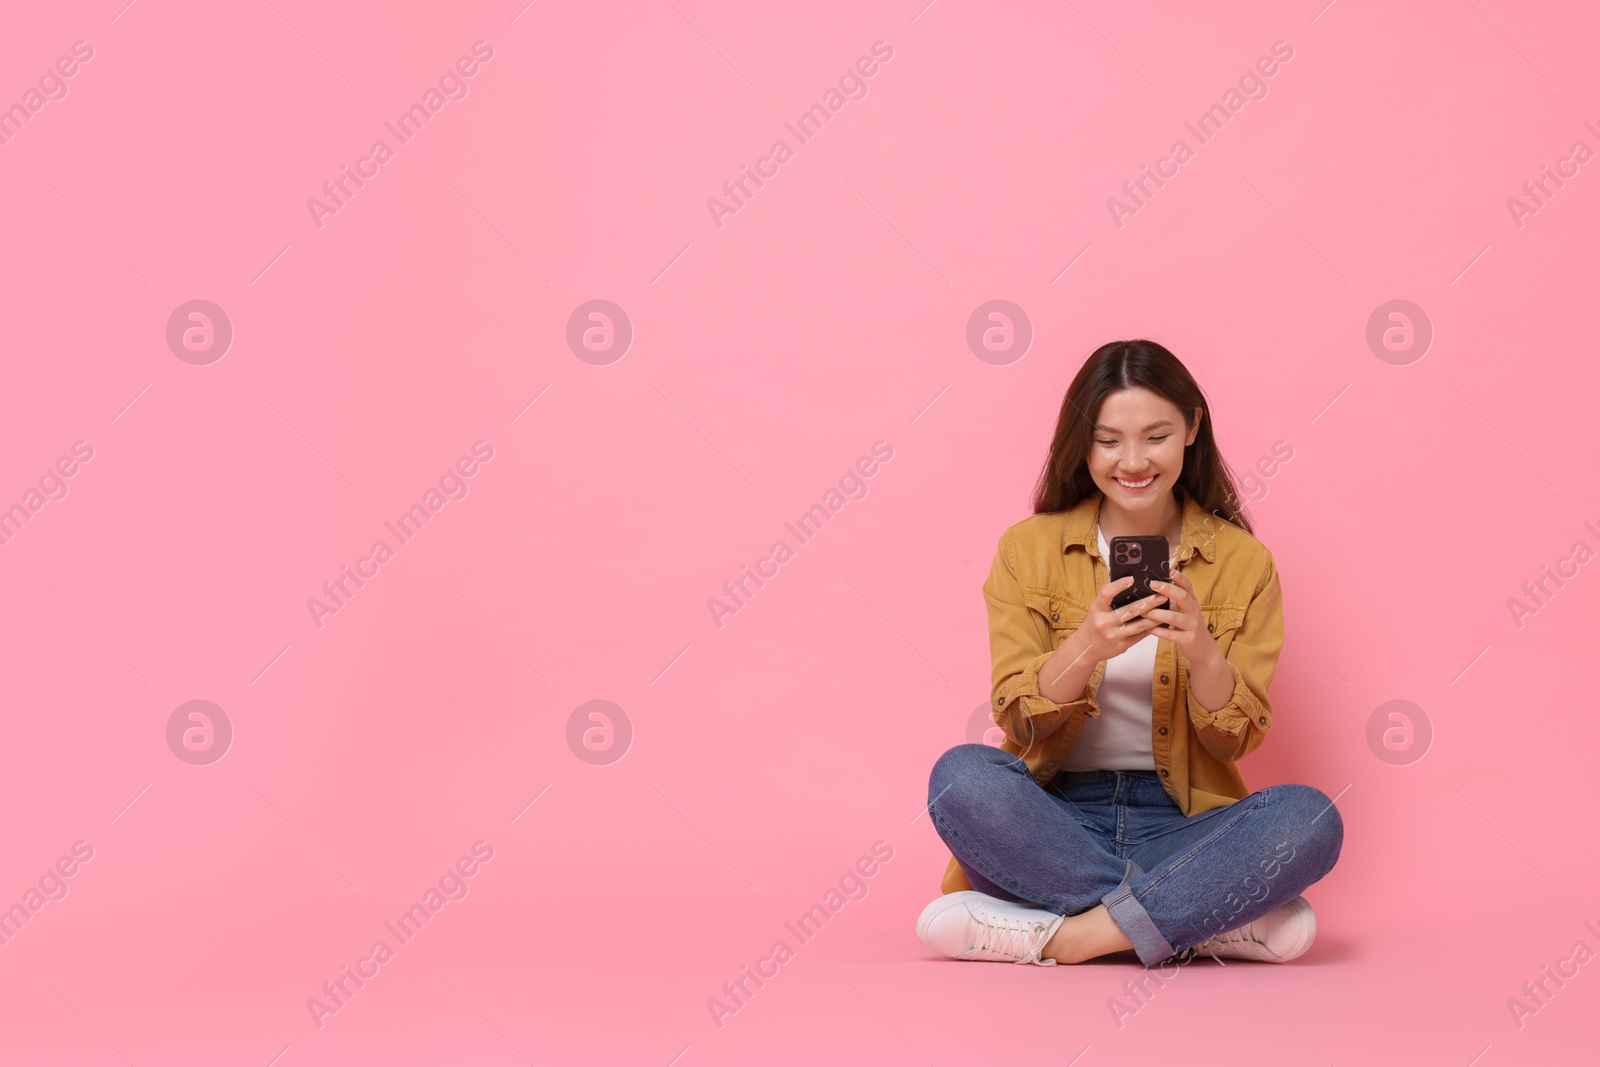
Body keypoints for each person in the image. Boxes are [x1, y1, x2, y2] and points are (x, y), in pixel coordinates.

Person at [915, 339, 1343, 968]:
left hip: (1183, 823)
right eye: (1109, 440)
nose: (1133, 461)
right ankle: (1196, 920)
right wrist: (1086, 647)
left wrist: (1202, 652)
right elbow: (1019, 720)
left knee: (1308, 819)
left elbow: (1233, 741)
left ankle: (1068, 936)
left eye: (1156, 436)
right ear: (1081, 443)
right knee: (960, 778)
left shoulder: (1243, 562)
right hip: (1056, 819)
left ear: (1193, 427)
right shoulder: (1026, 549)